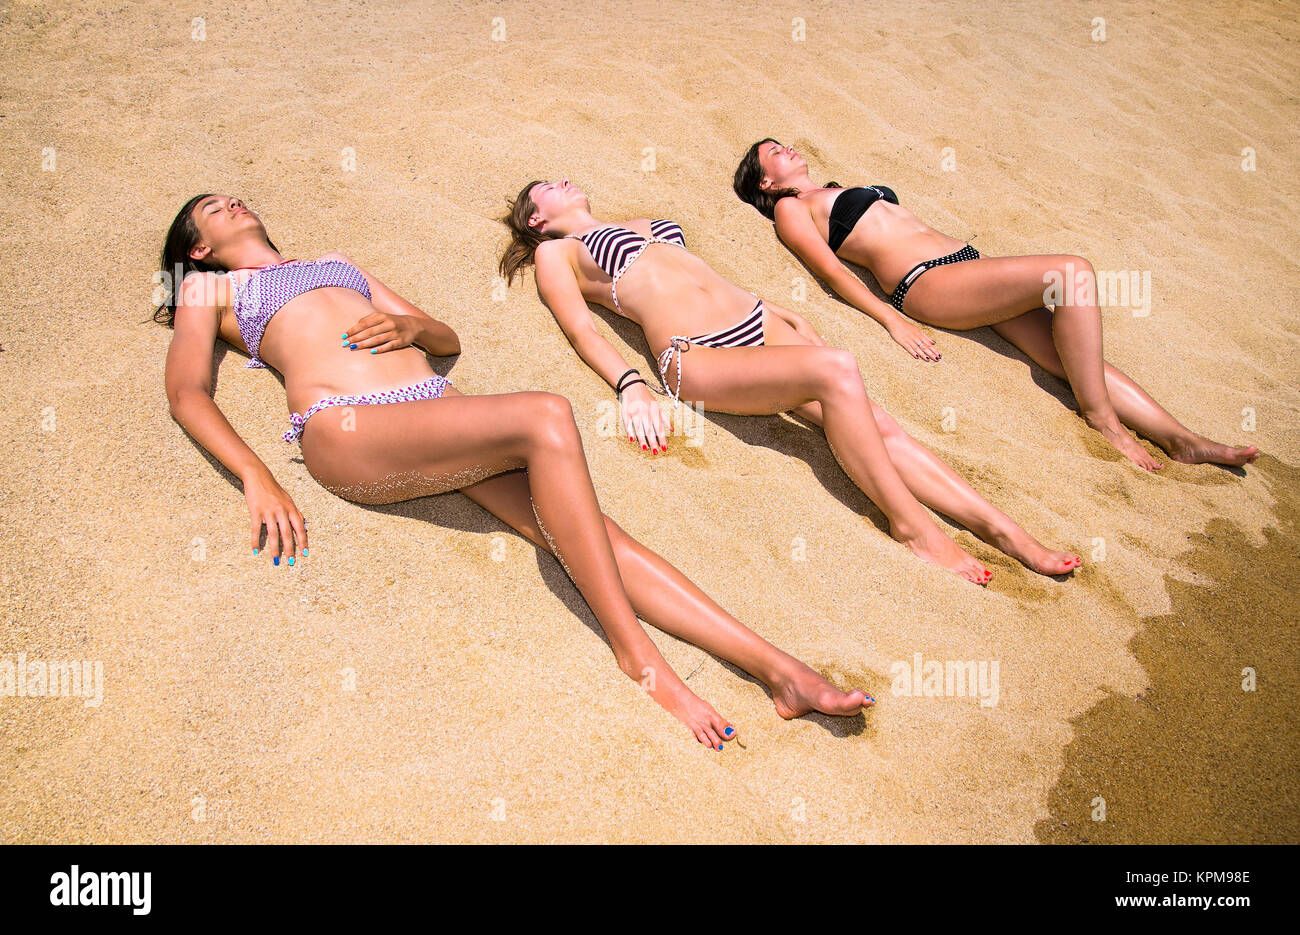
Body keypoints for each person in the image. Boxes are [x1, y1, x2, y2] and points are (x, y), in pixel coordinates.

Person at [155, 193, 874, 750]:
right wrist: (258, 475)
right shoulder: (208, 292)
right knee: (546, 415)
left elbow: (444, 335)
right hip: (349, 429)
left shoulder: (339, 264)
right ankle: (638, 657)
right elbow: (188, 392)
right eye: (213, 209)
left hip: (433, 411)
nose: (233, 203)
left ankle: (781, 671)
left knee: (596, 537)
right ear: (199, 245)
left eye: (235, 196)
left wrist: (411, 329)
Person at [499, 179, 1083, 584]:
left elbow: (701, 276)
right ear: (536, 218)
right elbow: (581, 329)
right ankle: (914, 528)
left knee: (883, 427)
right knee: (837, 370)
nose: (564, 182)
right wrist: (630, 386)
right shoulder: (558, 252)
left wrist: (778, 308)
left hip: (761, 324)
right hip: (696, 357)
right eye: (548, 186)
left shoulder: (644, 224)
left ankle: (1005, 531)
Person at [733, 139, 1259, 472]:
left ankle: (1181, 439)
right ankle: (1103, 421)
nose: (788, 150)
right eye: (774, 152)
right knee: (1072, 272)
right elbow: (829, 271)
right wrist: (891, 320)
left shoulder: (832, 187)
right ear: (766, 181)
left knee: (1073, 355)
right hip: (929, 283)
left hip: (967, 266)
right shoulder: (790, 209)